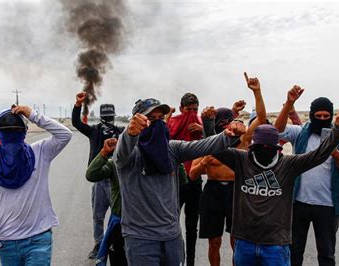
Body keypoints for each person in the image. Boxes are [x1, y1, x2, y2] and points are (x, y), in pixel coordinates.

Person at [209, 87, 339, 265]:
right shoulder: (241, 160)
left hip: (275, 245)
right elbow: (213, 147)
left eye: (270, 148)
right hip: (245, 242)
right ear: (252, 147)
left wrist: (337, 130)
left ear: (279, 148)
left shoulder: (288, 164)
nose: (264, 152)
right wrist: (209, 122)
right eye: (260, 148)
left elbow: (320, 154)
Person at [113, 98, 246, 265]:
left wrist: (228, 136)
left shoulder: (172, 149)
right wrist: (129, 134)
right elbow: (121, 152)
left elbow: (205, 145)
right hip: (140, 237)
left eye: (161, 119)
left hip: (172, 236)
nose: (157, 124)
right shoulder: (129, 155)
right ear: (137, 122)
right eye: (150, 119)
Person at [0, 106, 72, 266]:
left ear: (24, 132)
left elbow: (65, 135)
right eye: (7, 132)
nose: (12, 136)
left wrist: (33, 115)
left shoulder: (39, 152)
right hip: (7, 241)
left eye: (17, 131)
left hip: (38, 238)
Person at [189, 73, 266, 266]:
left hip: (236, 190)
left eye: (228, 124)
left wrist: (257, 92)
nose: (227, 129)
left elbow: (262, 118)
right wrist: (204, 163)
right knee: (214, 242)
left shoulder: (243, 139)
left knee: (236, 241)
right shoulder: (209, 144)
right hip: (213, 191)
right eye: (221, 126)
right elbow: (192, 174)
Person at [275, 88, 339, 266]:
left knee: (326, 255)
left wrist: (333, 149)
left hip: (327, 206)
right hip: (298, 203)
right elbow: (277, 130)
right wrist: (289, 104)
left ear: (331, 116)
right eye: (317, 116)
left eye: (326, 116)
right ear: (311, 115)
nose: (322, 120)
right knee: (293, 252)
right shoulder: (301, 132)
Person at [72, 92, 125, 259]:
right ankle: (98, 244)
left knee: (120, 214)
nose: (108, 119)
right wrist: (77, 105)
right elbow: (76, 123)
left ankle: (119, 243)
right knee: (98, 215)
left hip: (117, 180)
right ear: (102, 116)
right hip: (100, 181)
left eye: (110, 116)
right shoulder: (94, 131)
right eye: (106, 116)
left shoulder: (121, 132)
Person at [166, 92, 203, 266]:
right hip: (176, 181)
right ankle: (173, 259)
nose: (192, 114)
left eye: (195, 109)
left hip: (194, 179)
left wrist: (202, 130)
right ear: (181, 108)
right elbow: (162, 139)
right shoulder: (173, 121)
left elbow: (211, 141)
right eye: (188, 110)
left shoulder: (201, 122)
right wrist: (167, 120)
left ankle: (191, 262)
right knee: (171, 222)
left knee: (191, 225)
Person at [86, 138, 127, 266]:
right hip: (120, 221)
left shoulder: (152, 162)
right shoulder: (115, 163)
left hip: (142, 225)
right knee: (98, 216)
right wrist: (104, 152)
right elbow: (91, 174)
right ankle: (98, 243)